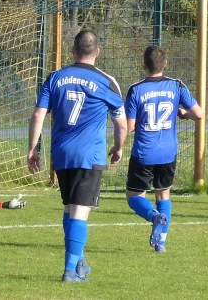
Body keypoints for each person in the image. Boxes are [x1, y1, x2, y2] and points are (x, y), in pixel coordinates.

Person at [27, 30, 128, 283]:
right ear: (97, 51)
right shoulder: (107, 81)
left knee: (70, 208)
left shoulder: (55, 77)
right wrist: (118, 147)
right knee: (80, 211)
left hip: (61, 154)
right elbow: (122, 124)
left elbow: (39, 114)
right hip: (88, 155)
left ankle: (79, 260)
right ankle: (70, 270)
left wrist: (32, 149)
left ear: (73, 50)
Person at [124, 46, 203, 253]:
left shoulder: (136, 89)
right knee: (163, 194)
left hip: (144, 152)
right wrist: (183, 114)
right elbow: (199, 114)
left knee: (133, 197)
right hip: (168, 152)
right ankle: (161, 244)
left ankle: (153, 216)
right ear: (165, 63)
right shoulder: (176, 85)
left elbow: (130, 126)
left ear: (144, 65)